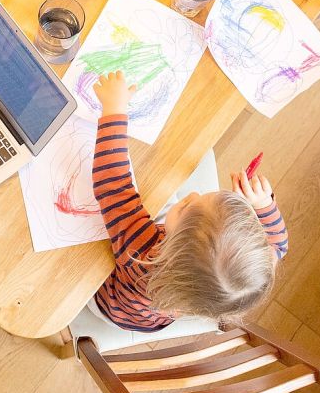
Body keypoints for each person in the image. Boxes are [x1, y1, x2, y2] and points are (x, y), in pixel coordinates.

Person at [88, 71, 287, 332]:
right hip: (159, 311)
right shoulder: (253, 271)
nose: (192, 194)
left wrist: (114, 110)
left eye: (184, 208)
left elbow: (113, 183)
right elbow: (278, 244)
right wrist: (262, 205)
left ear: (168, 247)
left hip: (111, 303)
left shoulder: (141, 250)